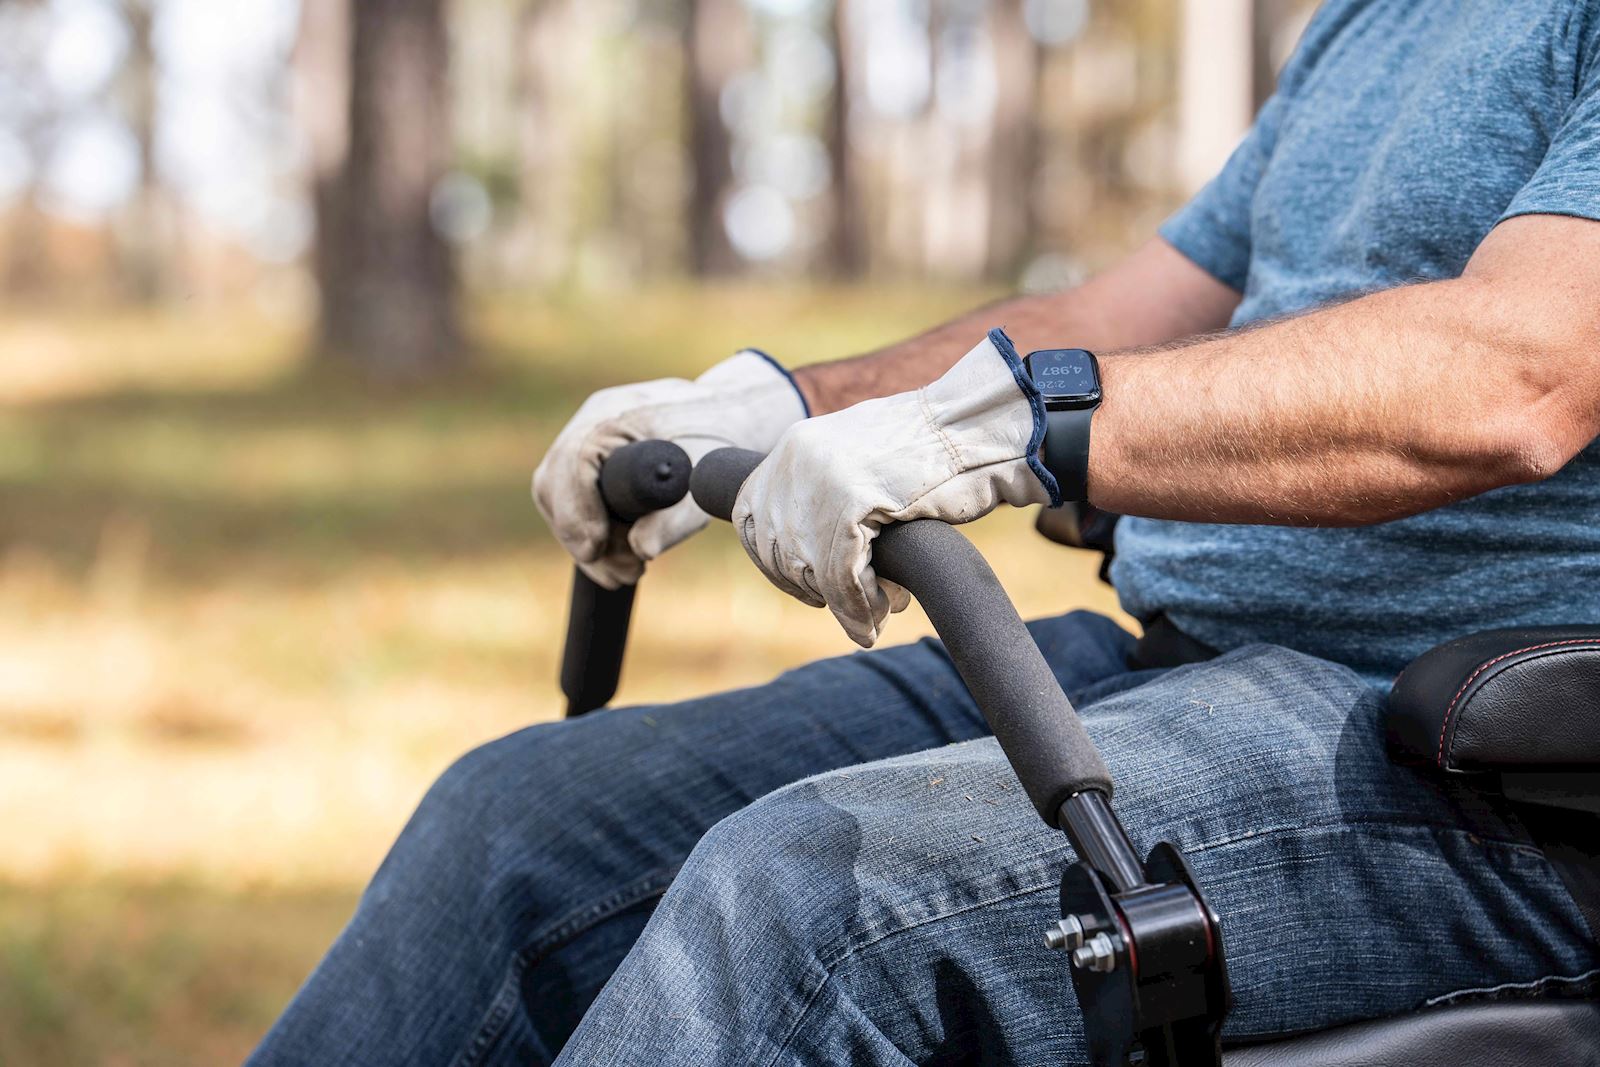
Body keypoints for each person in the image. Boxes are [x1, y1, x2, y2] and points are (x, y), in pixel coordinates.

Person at [250, 2, 1600, 1063]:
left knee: (810, 908)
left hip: (1481, 768)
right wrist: (787, 402)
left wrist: (1021, 424)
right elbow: (1136, 309)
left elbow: (1519, 373)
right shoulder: (1385, 15)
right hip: (1182, 655)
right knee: (522, 822)